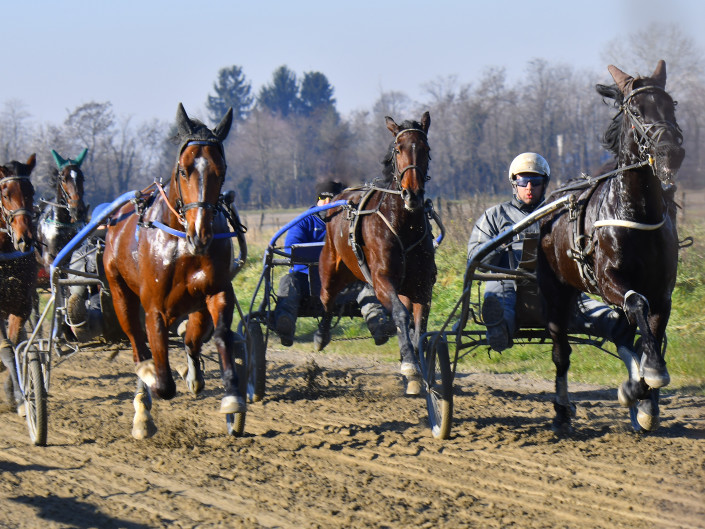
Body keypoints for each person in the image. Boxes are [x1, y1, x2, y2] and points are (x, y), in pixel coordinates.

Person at [467, 152, 631, 352]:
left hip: (553, 284)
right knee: (498, 297)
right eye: (523, 181)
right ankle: (499, 327)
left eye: (535, 181)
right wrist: (501, 247)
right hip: (506, 280)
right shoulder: (493, 216)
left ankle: (615, 323)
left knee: (583, 306)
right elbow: (475, 255)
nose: (529, 187)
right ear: (514, 183)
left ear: (544, 184)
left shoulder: (558, 214)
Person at [274, 180, 395, 347]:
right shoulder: (304, 221)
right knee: (288, 281)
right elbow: (291, 249)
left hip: (344, 282)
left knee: (367, 286)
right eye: (322, 198)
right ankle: (284, 324)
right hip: (308, 282)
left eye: (332, 198)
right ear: (316, 200)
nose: (326, 203)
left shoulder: (348, 223)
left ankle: (378, 324)